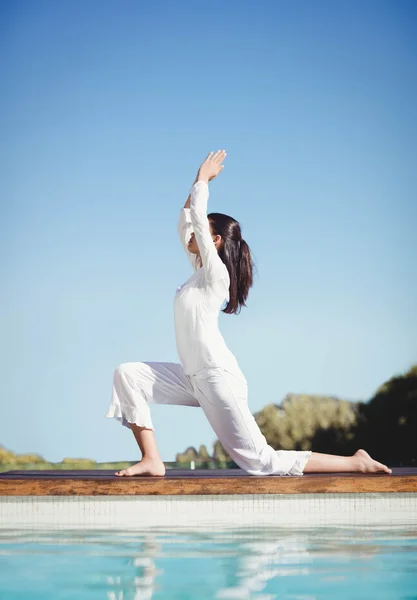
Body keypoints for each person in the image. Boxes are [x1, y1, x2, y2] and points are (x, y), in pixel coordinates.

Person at [106, 150, 392, 478]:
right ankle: (152, 459)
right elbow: (186, 220)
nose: (188, 238)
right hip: (192, 377)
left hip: (217, 378)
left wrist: (202, 178)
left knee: (261, 462)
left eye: (199, 235)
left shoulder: (217, 275)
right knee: (127, 374)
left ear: (213, 240)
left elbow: (196, 220)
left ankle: (356, 461)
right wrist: (194, 185)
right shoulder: (198, 272)